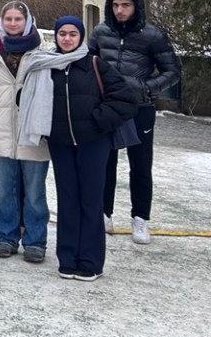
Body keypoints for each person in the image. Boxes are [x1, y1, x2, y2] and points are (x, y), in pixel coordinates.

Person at [20, 16, 135, 281]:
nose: (67, 38)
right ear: (56, 36)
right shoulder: (45, 66)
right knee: (68, 200)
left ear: (81, 37)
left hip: (93, 143)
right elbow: (25, 97)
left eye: (73, 34)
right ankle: (68, 258)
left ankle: (91, 261)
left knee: (91, 200)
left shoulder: (94, 64)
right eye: (62, 33)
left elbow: (126, 100)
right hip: (61, 143)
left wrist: (98, 120)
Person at [91, 0, 181, 244]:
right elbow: (89, 63)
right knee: (104, 163)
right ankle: (104, 214)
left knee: (140, 165)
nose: (120, 10)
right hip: (108, 106)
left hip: (139, 107)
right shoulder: (100, 32)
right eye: (115, 5)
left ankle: (140, 218)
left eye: (126, 5)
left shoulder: (153, 35)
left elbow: (172, 71)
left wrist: (146, 88)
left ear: (136, 7)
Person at [0, 0, 49, 263]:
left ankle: (35, 241)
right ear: (2, 21)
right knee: (6, 191)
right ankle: (6, 238)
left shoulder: (42, 49)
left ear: (27, 21)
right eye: (9, 19)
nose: (13, 23)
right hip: (2, 129)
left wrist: (44, 123)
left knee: (35, 192)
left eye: (18, 19)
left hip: (33, 131)